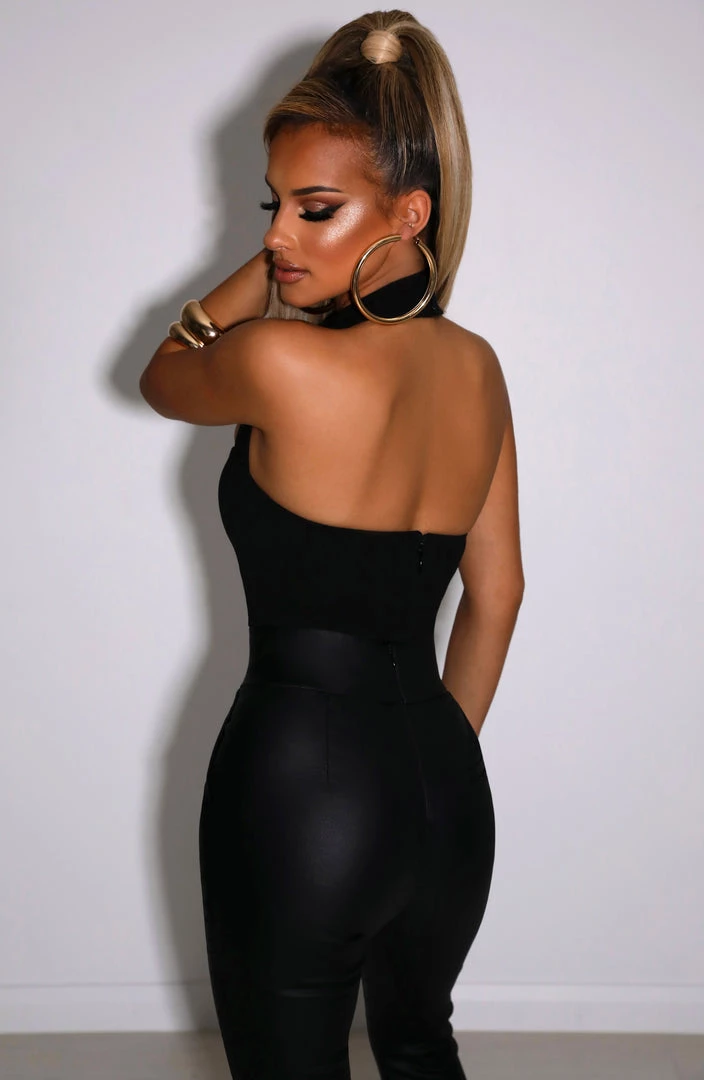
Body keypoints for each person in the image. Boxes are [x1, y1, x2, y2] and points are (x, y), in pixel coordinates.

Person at [140, 10, 523, 1079]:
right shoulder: (478, 368)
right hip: (447, 798)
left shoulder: (274, 362)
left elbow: (164, 373)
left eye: (316, 209)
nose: (277, 238)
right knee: (420, 1053)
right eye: (273, 208)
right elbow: (497, 596)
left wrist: (257, 282)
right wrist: (427, 765)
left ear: (410, 213)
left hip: (300, 795)